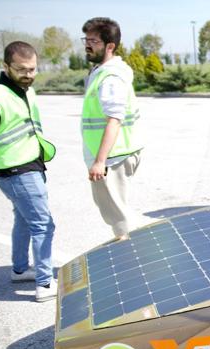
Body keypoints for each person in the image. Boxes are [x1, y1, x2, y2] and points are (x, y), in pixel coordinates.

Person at [0, 41, 57, 301]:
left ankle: (20, 269)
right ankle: (44, 284)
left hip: (31, 164)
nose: (28, 74)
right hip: (16, 171)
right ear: (5, 66)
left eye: (32, 69)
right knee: (43, 224)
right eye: (21, 69)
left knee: (24, 220)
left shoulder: (26, 91)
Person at [81, 17, 143, 241]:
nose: (88, 45)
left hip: (113, 156)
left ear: (110, 46)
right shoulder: (103, 71)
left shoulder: (111, 78)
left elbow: (114, 120)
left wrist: (99, 161)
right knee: (115, 209)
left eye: (94, 41)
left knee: (117, 215)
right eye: (86, 40)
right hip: (116, 153)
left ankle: (134, 259)